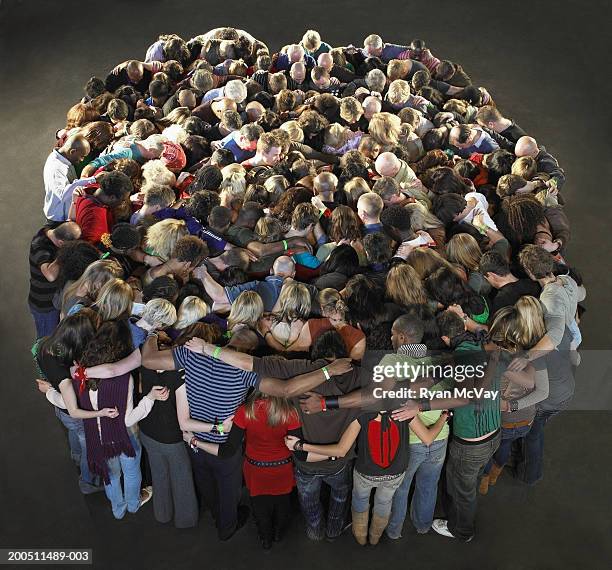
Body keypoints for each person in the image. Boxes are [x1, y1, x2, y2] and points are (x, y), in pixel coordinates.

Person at [29, 222, 81, 337]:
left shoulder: (52, 230)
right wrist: (64, 252)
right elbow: (50, 275)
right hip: (44, 305)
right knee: (47, 340)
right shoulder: (40, 247)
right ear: (61, 243)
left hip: (54, 300)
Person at [43, 134, 96, 222]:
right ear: (72, 151)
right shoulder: (56, 168)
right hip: (59, 219)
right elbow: (62, 194)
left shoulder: (62, 159)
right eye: (82, 156)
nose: (82, 160)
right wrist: (92, 180)